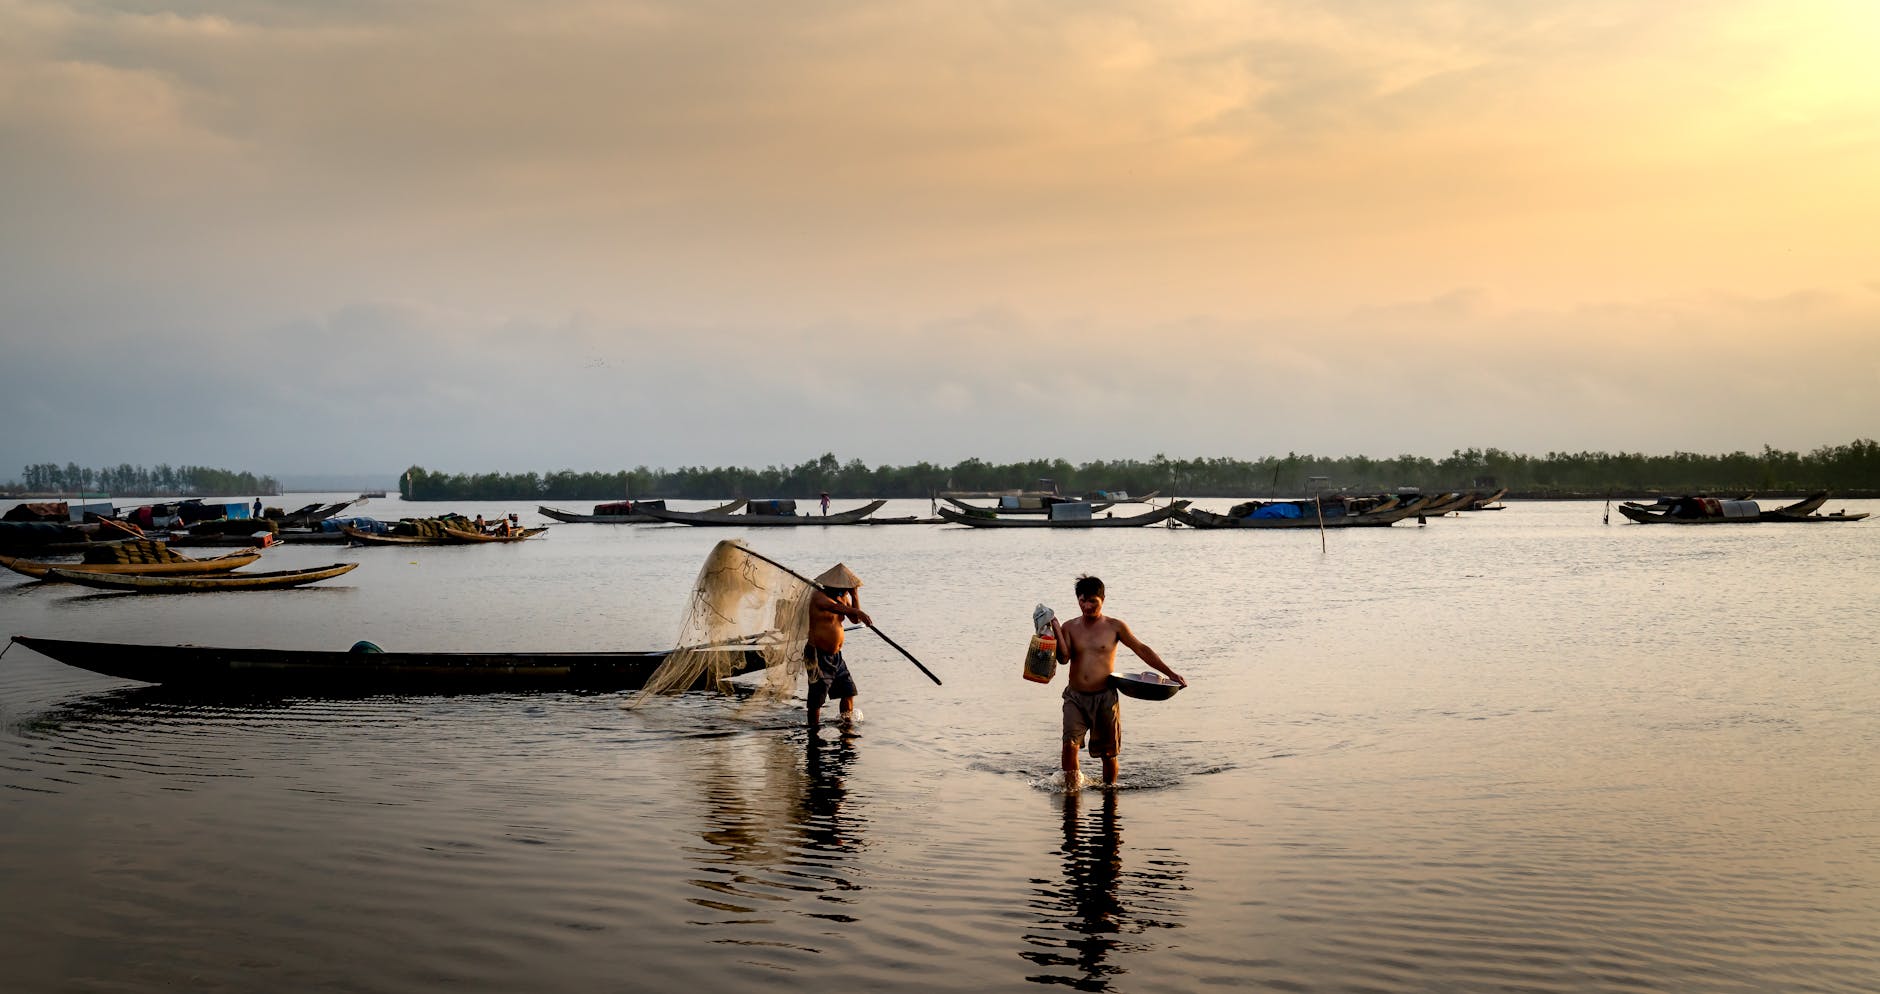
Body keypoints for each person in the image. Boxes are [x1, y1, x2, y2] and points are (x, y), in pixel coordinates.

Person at [1051, 575, 1184, 787]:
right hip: (1075, 697)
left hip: (1104, 697)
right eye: (1082, 601)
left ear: (1103, 599)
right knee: (1069, 745)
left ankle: (1110, 792)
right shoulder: (1069, 627)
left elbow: (1141, 649)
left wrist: (1170, 673)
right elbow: (1064, 658)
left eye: (1092, 601)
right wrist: (1056, 628)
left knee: (1108, 754)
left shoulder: (1115, 627)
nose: (1087, 606)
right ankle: (1071, 792)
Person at [805, 563, 871, 728]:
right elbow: (834, 608)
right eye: (842, 590)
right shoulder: (819, 596)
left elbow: (855, 620)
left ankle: (846, 725)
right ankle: (813, 729)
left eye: (846, 590)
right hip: (817, 655)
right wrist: (857, 612)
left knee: (848, 692)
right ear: (832, 586)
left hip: (836, 656)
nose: (843, 593)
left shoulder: (843, 598)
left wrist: (854, 595)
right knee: (817, 699)